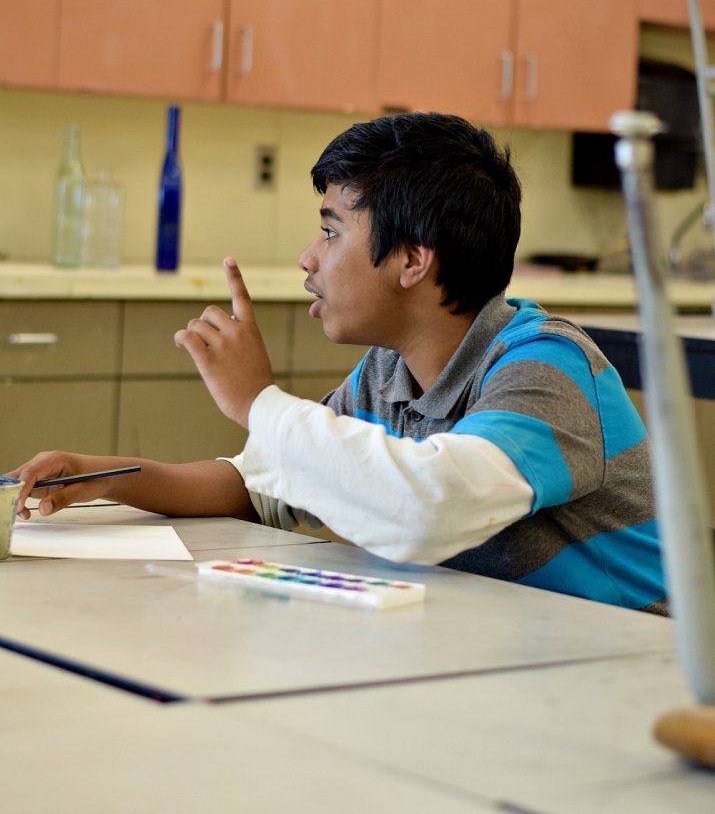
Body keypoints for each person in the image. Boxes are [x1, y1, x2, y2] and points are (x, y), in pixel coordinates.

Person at [11, 112, 666, 614]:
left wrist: (256, 402)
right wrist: (108, 477)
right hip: (494, 649)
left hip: (625, 664)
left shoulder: (546, 366)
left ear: (413, 259)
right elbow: (269, 485)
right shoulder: (388, 371)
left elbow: (428, 510)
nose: (307, 257)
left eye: (330, 230)